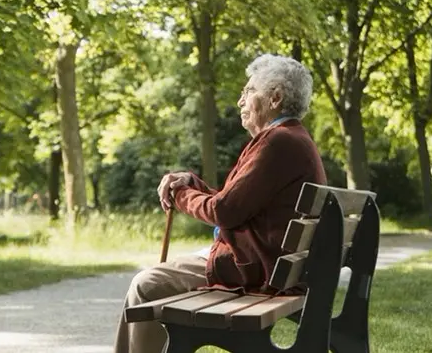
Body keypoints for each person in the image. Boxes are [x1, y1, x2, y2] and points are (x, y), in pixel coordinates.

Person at [113, 53, 327, 353]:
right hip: (268, 265)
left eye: (249, 91)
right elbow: (237, 202)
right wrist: (193, 183)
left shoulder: (277, 142)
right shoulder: (292, 138)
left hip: (253, 272)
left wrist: (180, 195)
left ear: (275, 97)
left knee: (146, 284)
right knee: (157, 277)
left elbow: (223, 212)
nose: (241, 101)